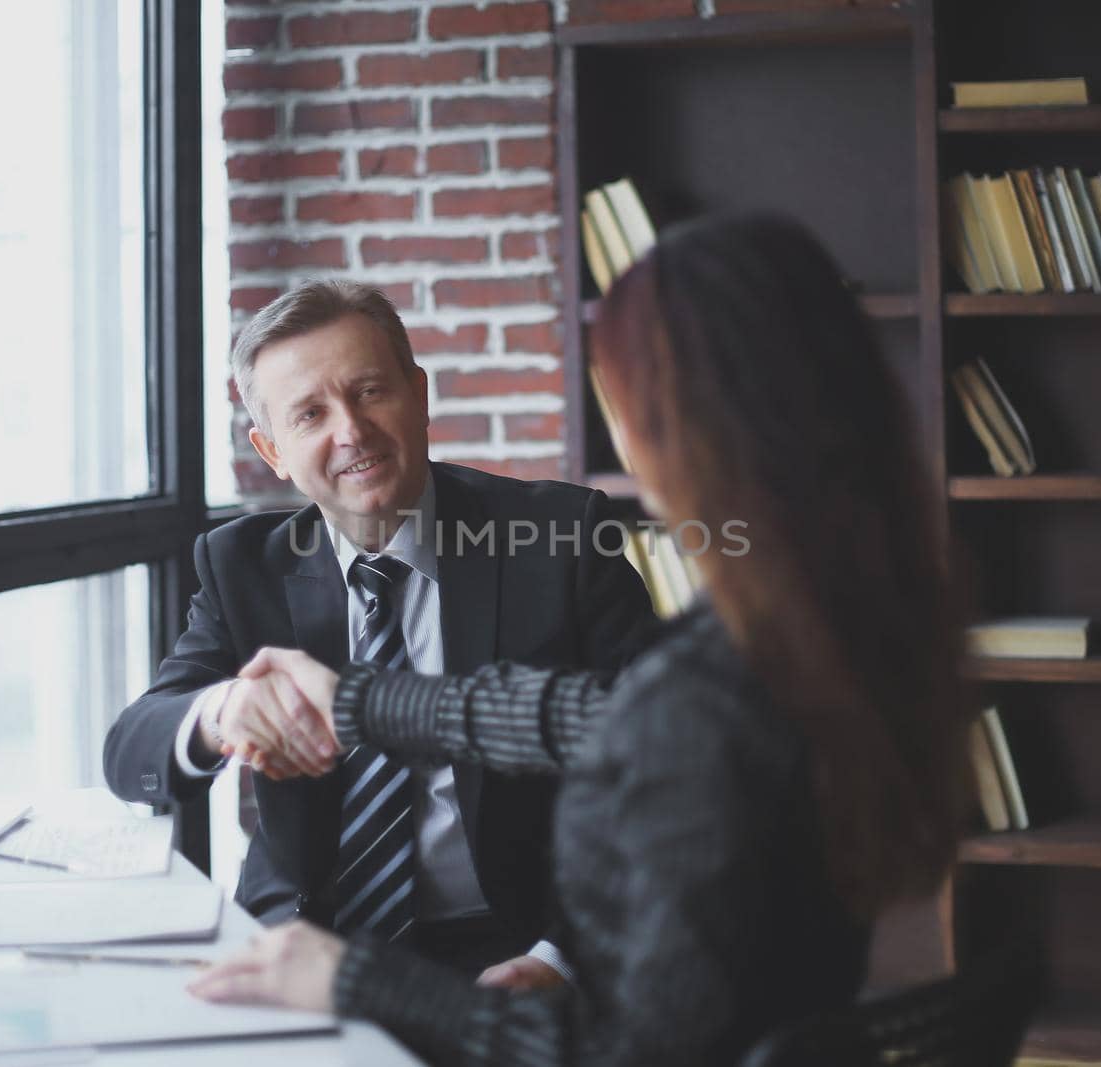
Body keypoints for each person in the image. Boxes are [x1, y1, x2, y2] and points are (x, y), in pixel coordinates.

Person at [186, 214, 973, 1066]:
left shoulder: (716, 677)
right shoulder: (841, 617)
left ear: (688, 428)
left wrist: (358, 982)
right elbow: (601, 715)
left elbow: (613, 1048)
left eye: (622, 396)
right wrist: (364, 699)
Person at [102, 280, 656, 986]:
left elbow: (662, 764)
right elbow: (129, 751)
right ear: (272, 449)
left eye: (369, 391)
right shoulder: (243, 565)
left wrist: (562, 960)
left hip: (518, 939)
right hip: (311, 941)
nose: (351, 431)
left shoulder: (562, 538)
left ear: (418, 394)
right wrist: (218, 712)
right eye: (309, 414)